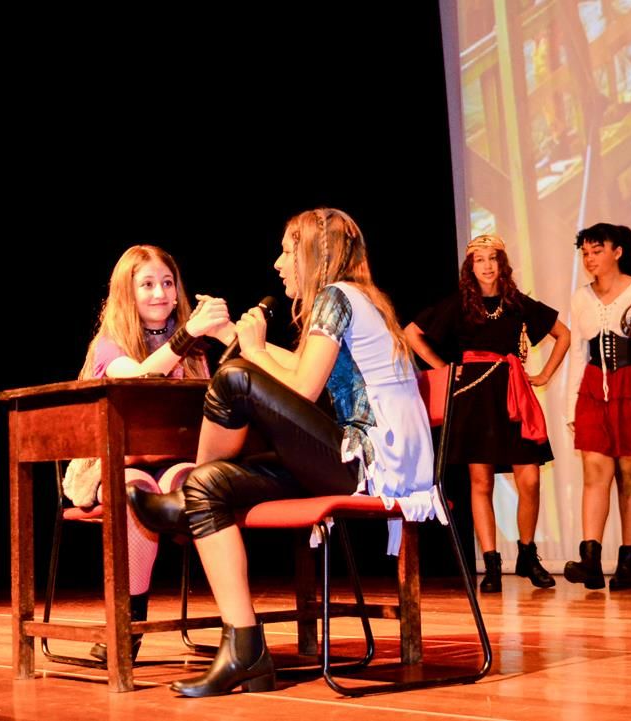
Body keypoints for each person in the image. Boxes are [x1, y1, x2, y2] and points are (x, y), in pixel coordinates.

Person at [129, 208, 440, 697]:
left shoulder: (336, 296)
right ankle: (246, 651)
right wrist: (239, 339)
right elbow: (302, 366)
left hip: (371, 465)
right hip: (356, 460)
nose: (277, 263)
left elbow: (303, 388)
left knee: (233, 379)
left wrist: (251, 351)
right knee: (211, 487)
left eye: (287, 252)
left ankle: (182, 498)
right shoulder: (358, 297)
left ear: (312, 255)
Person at [64, 244, 230, 663]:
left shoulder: (196, 350)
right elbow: (138, 376)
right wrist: (187, 334)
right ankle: (129, 624)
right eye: (148, 284)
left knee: (197, 483)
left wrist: (227, 335)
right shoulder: (110, 345)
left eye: (167, 283)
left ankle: (236, 623)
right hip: (118, 465)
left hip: (176, 461)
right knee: (135, 490)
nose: (160, 293)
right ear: (128, 293)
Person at [405, 234, 570, 593]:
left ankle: (527, 554)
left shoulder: (516, 302)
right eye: (479, 259)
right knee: (481, 483)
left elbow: (564, 334)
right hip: (475, 400)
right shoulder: (459, 304)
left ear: (502, 263)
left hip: (512, 396)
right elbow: (412, 333)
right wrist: (443, 368)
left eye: (492, 258)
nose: (487, 265)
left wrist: (543, 375)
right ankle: (492, 564)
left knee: (530, 479)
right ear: (470, 266)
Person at [563, 223, 631, 591]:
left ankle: (629, 563)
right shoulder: (581, 297)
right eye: (585, 253)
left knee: (630, 476)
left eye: (597, 250)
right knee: (594, 473)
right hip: (594, 389)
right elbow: (578, 354)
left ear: (618, 252)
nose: (590, 258)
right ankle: (590, 560)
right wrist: (570, 406)